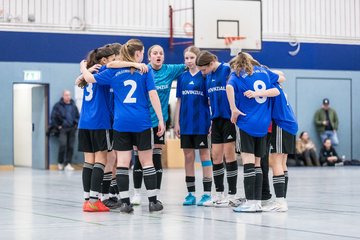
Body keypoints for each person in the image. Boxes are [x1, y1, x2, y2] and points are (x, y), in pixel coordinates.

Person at [81, 39, 165, 213]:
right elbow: (153, 95)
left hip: (120, 123)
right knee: (147, 161)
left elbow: (88, 79)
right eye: (142, 52)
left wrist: (82, 67)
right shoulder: (145, 70)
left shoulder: (113, 72)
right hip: (141, 122)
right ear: (138, 54)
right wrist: (161, 119)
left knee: (122, 163)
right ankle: (152, 202)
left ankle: (125, 203)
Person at [108, 44, 185, 205]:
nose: (158, 55)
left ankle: (154, 195)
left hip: (158, 121)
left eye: (161, 53)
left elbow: (192, 62)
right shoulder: (143, 70)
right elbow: (113, 65)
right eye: (155, 53)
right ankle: (137, 193)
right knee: (139, 159)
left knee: (156, 158)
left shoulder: (169, 70)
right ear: (148, 56)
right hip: (143, 121)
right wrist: (134, 64)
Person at [226, 52, 281, 213]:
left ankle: (251, 202)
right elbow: (277, 90)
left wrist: (233, 109)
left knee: (248, 162)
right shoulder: (263, 71)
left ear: (237, 63)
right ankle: (257, 202)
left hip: (247, 122)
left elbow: (229, 87)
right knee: (258, 163)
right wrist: (259, 94)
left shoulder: (237, 74)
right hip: (264, 123)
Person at [196, 50, 241, 207]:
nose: (202, 72)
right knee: (215, 157)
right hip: (216, 120)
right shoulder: (208, 77)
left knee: (229, 156)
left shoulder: (228, 70)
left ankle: (232, 194)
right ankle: (219, 193)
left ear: (210, 63)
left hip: (229, 119)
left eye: (203, 69)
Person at [174, 46, 213, 206]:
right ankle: (190, 194)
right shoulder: (182, 78)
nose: (189, 61)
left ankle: (207, 193)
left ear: (197, 59)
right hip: (185, 124)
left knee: (204, 156)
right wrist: (176, 123)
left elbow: (210, 101)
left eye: (191, 58)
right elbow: (179, 101)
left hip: (201, 123)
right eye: (186, 58)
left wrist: (211, 121)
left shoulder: (204, 77)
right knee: (188, 157)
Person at [264, 72, 298, 212]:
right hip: (290, 125)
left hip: (281, 125)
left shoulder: (272, 88)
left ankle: (280, 202)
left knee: (275, 161)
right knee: (282, 163)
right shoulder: (280, 88)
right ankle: (282, 199)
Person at [50, 90, 80, 171]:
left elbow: (77, 116)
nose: (68, 97)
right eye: (66, 95)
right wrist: (58, 126)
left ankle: (68, 164)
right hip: (62, 129)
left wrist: (75, 125)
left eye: (69, 95)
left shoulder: (73, 106)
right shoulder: (58, 106)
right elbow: (53, 117)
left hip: (72, 129)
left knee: (70, 147)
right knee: (63, 145)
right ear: (63, 96)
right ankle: (60, 163)